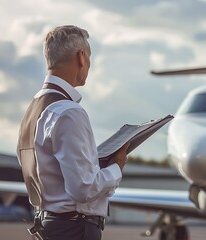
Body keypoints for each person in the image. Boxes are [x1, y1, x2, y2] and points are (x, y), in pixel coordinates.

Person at [17, 25, 129, 240]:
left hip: (46, 224)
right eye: (89, 56)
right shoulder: (69, 111)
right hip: (73, 229)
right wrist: (117, 167)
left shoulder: (33, 110)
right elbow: (83, 188)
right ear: (81, 57)